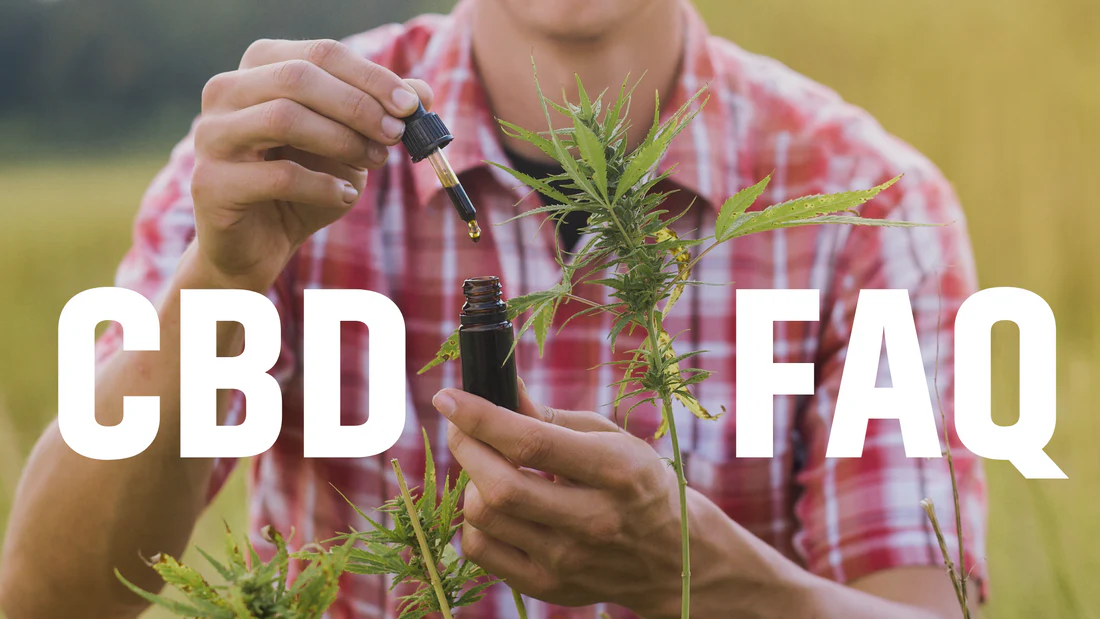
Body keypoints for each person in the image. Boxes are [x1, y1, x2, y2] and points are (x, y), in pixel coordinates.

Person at [0, 0, 987, 617]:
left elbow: (915, 602)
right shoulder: (281, 153)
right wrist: (220, 281)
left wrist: (699, 576)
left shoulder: (864, 202)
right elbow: (49, 599)